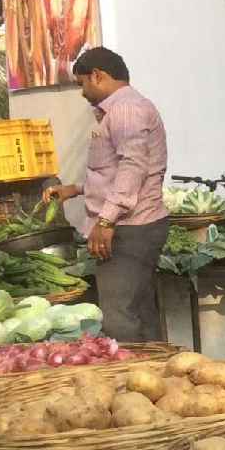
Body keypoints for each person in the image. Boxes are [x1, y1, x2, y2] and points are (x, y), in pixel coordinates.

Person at [44, 48, 169, 342]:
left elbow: (132, 166)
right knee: (138, 309)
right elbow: (117, 172)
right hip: (134, 225)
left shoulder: (125, 110)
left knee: (119, 316)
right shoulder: (123, 109)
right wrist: (76, 189)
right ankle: (155, 373)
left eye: (82, 83)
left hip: (129, 228)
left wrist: (106, 221)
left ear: (97, 76)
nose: (82, 92)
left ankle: (134, 378)